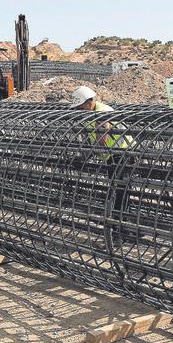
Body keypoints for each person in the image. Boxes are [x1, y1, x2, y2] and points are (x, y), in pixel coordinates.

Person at [71, 86, 134, 245]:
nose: (79, 111)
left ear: (89, 102)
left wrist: (89, 154)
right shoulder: (93, 112)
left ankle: (120, 233)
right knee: (121, 193)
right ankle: (124, 229)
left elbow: (102, 140)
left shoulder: (101, 113)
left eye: (80, 107)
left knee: (118, 194)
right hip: (114, 156)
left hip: (122, 155)